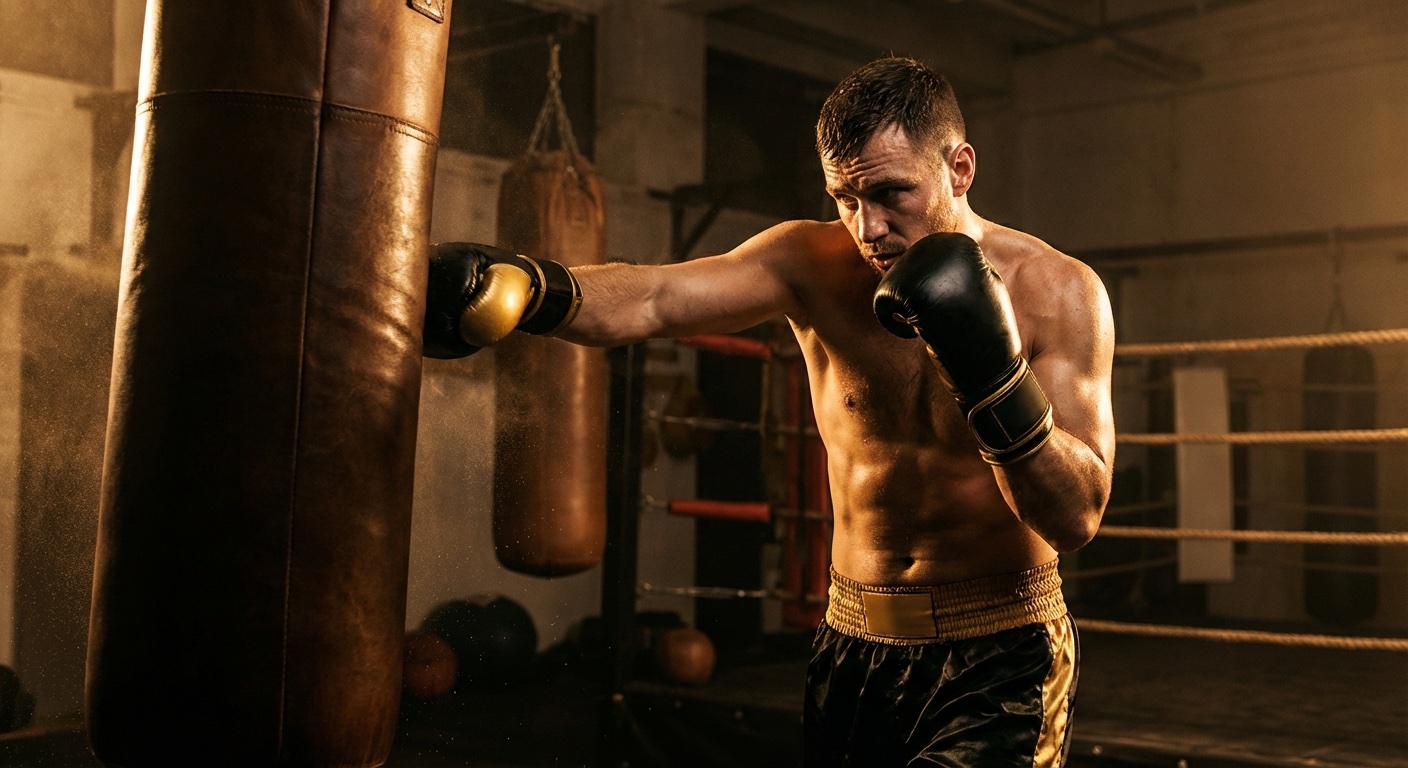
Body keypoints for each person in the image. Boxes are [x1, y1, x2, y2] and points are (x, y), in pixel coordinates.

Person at [424, 57, 1114, 767]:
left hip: (998, 656)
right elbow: (657, 297)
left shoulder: (1059, 291)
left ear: (959, 169)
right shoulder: (809, 262)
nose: (867, 227)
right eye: (844, 198)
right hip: (853, 644)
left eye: (890, 193)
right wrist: (533, 287)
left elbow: (1076, 517)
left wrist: (994, 380)